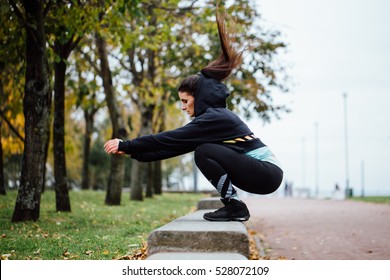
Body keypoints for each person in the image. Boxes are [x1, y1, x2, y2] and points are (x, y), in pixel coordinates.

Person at [104, 11, 283, 222]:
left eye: (185, 101)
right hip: (264, 175)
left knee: (203, 151)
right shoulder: (212, 119)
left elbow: (169, 137)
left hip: (267, 173)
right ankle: (235, 205)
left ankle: (235, 206)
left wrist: (126, 144)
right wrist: (136, 154)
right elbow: (176, 146)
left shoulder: (215, 118)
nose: (182, 107)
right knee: (201, 149)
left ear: (199, 97)